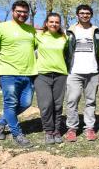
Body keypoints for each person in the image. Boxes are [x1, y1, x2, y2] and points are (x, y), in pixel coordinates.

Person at [0, 0, 37, 147]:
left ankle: (0, 122)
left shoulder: (30, 30)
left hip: (29, 73)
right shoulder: (1, 27)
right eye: (19, 11)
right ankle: (17, 134)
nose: (22, 14)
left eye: (25, 12)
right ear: (13, 11)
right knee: (11, 104)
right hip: (8, 73)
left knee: (26, 103)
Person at [65, 4, 99, 142]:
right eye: (81, 13)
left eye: (87, 13)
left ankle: (89, 128)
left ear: (91, 15)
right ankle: (72, 128)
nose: (84, 15)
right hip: (74, 71)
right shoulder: (70, 31)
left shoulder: (97, 31)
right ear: (77, 15)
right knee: (72, 100)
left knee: (91, 101)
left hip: (92, 71)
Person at [34, 13, 68, 144]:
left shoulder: (64, 38)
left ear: (60, 24)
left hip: (60, 74)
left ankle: (57, 130)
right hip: (42, 74)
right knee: (46, 104)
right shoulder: (38, 36)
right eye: (51, 21)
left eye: (57, 22)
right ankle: (48, 131)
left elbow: (68, 55)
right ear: (46, 23)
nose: (54, 24)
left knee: (58, 105)